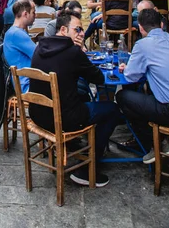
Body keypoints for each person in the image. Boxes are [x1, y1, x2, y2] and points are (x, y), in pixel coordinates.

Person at [30, 11, 121, 187]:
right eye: (77, 29)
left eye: (82, 29)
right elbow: (98, 78)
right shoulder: (72, 52)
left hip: (38, 114)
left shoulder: (40, 47)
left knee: (80, 94)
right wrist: (81, 49)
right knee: (112, 109)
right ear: (63, 30)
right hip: (62, 119)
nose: (81, 33)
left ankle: (73, 145)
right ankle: (90, 167)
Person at [116, 8, 169, 163]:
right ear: (161, 24)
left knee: (123, 96)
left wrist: (127, 68)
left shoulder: (142, 45)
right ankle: (166, 140)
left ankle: (155, 144)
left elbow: (131, 76)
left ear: (140, 27)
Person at [3, 0, 36, 93]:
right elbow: (38, 55)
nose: (35, 16)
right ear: (25, 14)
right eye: (33, 12)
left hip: (27, 81)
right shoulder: (16, 34)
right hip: (27, 84)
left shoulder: (14, 32)